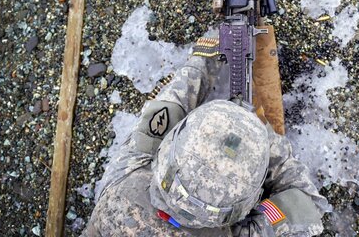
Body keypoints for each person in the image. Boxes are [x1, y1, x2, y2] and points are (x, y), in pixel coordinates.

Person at [82, 50, 330, 237]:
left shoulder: (125, 177)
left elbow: (172, 103)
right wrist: (264, 139)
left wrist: (205, 55)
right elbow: (307, 203)